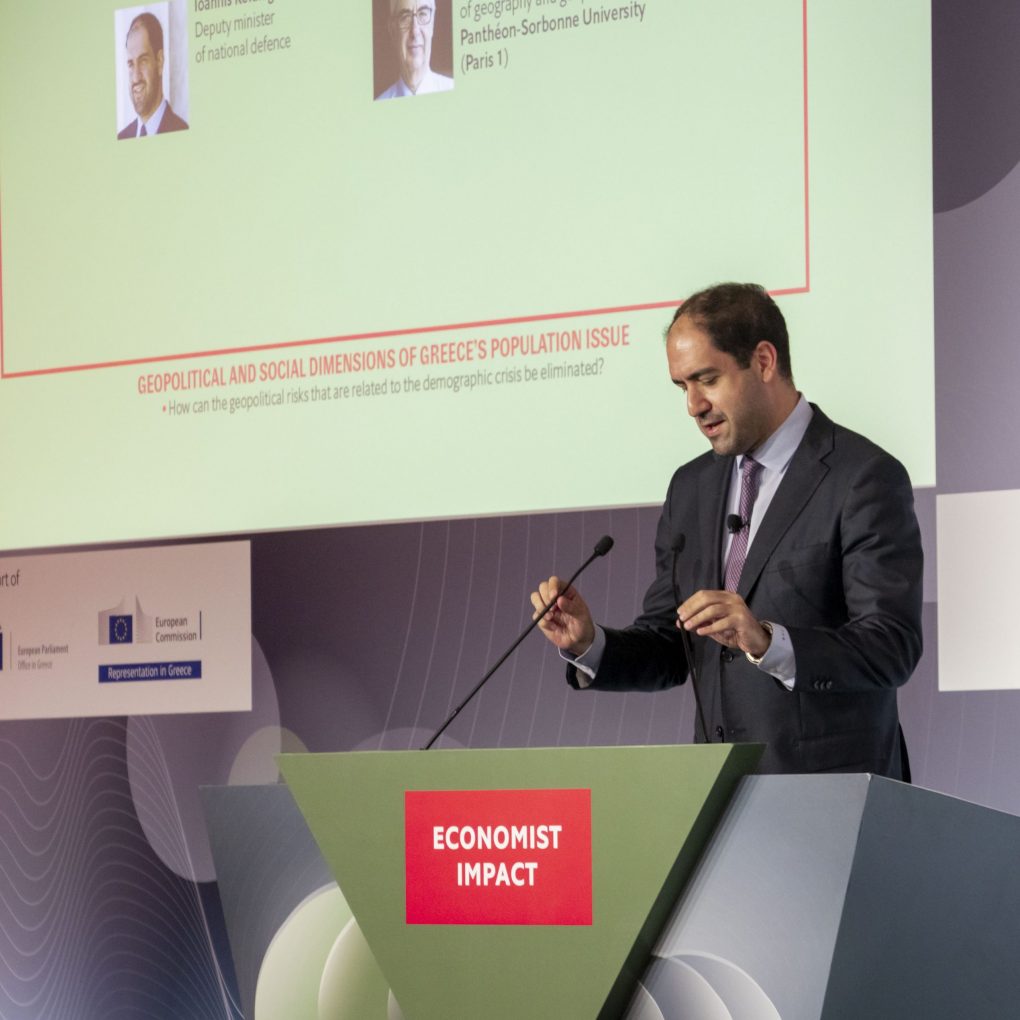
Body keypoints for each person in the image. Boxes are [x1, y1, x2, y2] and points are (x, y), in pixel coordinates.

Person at [531, 283, 923, 778]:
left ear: (763, 361)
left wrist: (767, 641)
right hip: (720, 790)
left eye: (707, 379)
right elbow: (673, 645)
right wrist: (590, 643)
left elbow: (890, 646)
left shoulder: (861, 477)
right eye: (682, 386)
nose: (693, 405)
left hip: (834, 788)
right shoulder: (691, 487)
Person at [117, 12, 189, 139]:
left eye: (143, 61)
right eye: (131, 64)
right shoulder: (122, 137)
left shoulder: (182, 131)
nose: (135, 77)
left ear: (160, 61)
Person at [376, 0, 454, 100]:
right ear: (393, 30)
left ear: (433, 24)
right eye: (405, 17)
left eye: (422, 14)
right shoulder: (380, 103)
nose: (415, 31)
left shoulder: (455, 92)